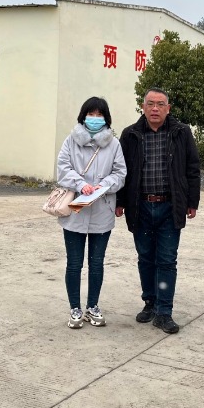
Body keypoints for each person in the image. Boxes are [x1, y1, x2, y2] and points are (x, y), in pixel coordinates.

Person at [115, 88, 201, 334]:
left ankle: (164, 311)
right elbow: (121, 170)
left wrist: (192, 201)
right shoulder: (130, 134)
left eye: (160, 104)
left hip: (170, 206)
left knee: (166, 259)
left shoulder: (181, 132)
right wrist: (120, 201)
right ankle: (150, 302)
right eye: (150, 103)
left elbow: (192, 168)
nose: (155, 108)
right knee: (145, 257)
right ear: (143, 107)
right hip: (140, 206)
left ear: (168, 108)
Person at [56, 97, 127, 329]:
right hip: (75, 211)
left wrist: (103, 185)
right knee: (74, 263)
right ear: (83, 116)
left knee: (97, 263)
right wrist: (81, 184)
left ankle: (92, 306)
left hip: (102, 210)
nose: (95, 119)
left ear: (106, 118)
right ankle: (75, 308)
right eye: (91, 114)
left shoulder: (114, 144)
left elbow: (120, 173)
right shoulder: (70, 141)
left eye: (99, 115)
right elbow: (62, 169)